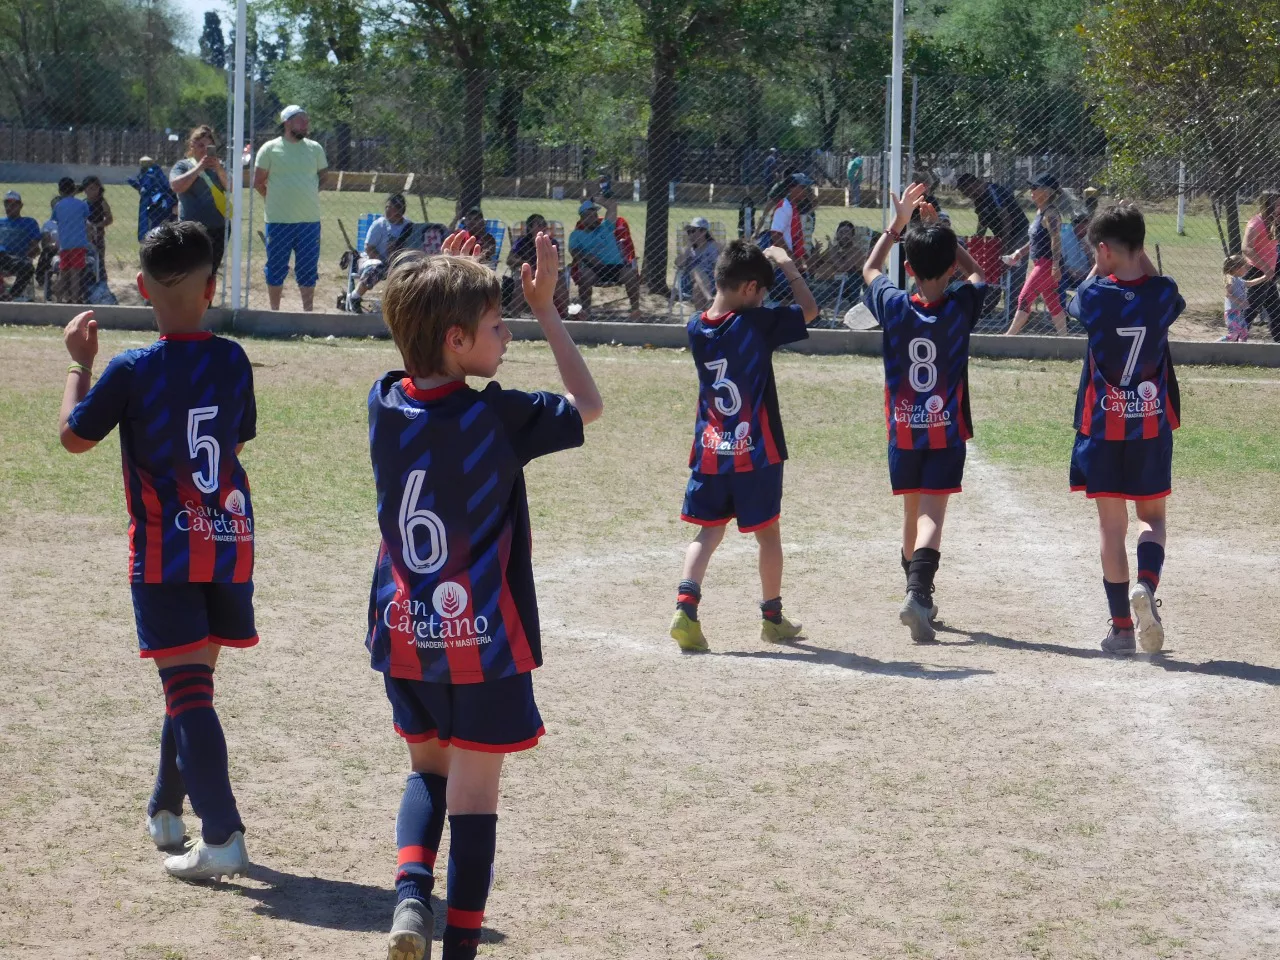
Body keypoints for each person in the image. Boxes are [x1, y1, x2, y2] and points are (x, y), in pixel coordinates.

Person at [367, 230, 602, 960]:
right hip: (484, 643)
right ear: (459, 338)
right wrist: (549, 309)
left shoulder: (381, 403)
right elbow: (587, 402)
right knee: (475, 801)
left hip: (406, 632)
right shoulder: (496, 416)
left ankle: (411, 897)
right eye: (500, 326)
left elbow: (417, 342)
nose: (510, 335)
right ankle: (460, 948)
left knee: (426, 772)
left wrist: (437, 270)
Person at [57, 221, 257, 879]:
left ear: (142, 288)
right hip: (226, 546)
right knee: (192, 686)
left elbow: (74, 438)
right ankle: (167, 809)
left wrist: (78, 366)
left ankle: (223, 835)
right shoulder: (231, 359)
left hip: (167, 557)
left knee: (189, 693)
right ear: (211, 289)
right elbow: (238, 435)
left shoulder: (130, 369)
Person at [668, 239, 820, 654]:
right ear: (751, 288)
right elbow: (810, 310)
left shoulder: (696, 328)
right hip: (756, 451)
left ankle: (685, 608)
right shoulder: (755, 324)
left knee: (707, 532)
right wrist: (787, 265)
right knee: (768, 535)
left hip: (713, 448)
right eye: (764, 291)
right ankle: (772, 619)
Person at [862, 183, 987, 644]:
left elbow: (870, 267)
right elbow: (979, 279)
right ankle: (918, 593)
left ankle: (917, 590)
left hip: (903, 431)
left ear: (909, 269)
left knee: (913, 510)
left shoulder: (894, 305)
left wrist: (899, 226)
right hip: (944, 430)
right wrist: (948, 236)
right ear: (950, 266)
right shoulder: (959, 306)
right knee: (933, 512)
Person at [1065, 203, 1185, 656]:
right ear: (1140, 243)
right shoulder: (1163, 293)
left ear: (1102, 250)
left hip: (1102, 430)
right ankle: (1146, 585)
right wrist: (1136, 260)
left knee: (1111, 530)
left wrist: (1101, 267)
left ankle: (1120, 629)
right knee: (1151, 520)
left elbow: (1079, 297)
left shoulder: (1094, 296)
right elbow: (1162, 290)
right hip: (1150, 428)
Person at [254, 104, 328, 311]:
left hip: (309, 221)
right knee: (276, 267)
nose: (306, 125)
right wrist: (275, 198)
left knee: (308, 268)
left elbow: (323, 177)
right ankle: (274, 311)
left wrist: (308, 193)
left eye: (307, 121)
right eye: (301, 121)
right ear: (287, 123)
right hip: (278, 220)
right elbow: (259, 181)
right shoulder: (269, 149)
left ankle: (308, 312)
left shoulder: (315, 148)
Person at [1003, 174, 1069, 335]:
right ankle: (1065, 338)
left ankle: (1009, 336)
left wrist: (1055, 265)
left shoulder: (1050, 214)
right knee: (1053, 302)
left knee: (1024, 297)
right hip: (1042, 263)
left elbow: (1055, 239)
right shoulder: (1041, 211)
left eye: (1035, 187)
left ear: (1046, 192)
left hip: (1046, 264)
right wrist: (1020, 252)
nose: (1031, 190)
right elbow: (1034, 240)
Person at [569, 196, 641, 320]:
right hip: (593, 268)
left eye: (595, 215)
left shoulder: (606, 226)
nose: (594, 218)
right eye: (590, 216)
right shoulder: (576, 235)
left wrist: (592, 199)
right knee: (585, 276)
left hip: (616, 267)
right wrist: (588, 257)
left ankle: (635, 310)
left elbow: (612, 205)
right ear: (583, 219)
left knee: (630, 275)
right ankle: (586, 311)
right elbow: (574, 252)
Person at [171, 125, 231, 271]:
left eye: (209, 146)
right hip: (190, 229)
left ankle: (206, 294)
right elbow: (176, 186)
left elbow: (232, 187)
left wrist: (218, 168)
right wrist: (199, 168)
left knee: (211, 271)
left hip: (218, 227)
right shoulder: (183, 165)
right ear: (192, 145)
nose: (205, 149)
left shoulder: (220, 167)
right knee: (189, 271)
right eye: (200, 145)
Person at [347, 193, 414, 313]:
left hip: (397, 262)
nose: (387, 210)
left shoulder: (408, 226)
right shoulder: (379, 224)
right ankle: (354, 297)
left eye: (391, 208)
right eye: (386, 207)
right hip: (374, 260)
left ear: (400, 211)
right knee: (377, 268)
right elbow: (369, 248)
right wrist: (384, 263)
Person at [506, 213, 569, 317]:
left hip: (546, 273)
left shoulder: (551, 242)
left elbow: (553, 262)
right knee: (521, 284)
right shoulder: (522, 241)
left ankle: (565, 314)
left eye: (544, 224)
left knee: (560, 281)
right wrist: (523, 262)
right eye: (539, 225)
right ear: (530, 228)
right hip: (529, 272)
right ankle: (514, 316)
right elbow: (510, 259)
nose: (543, 227)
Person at [1242, 191, 1280, 341]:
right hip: (1256, 271)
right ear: (1268, 206)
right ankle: (1237, 337)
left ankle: (1278, 340)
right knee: (1251, 308)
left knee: (1275, 308)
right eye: (1277, 205)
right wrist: (1265, 268)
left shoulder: (1273, 222)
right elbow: (1247, 248)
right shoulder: (1256, 222)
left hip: (1267, 272)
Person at [808, 220, 867, 309]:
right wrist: (815, 253)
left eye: (847, 232)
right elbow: (811, 268)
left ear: (852, 236)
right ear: (837, 235)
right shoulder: (833, 250)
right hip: (818, 281)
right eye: (841, 232)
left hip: (839, 285)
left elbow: (842, 267)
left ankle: (810, 316)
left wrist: (832, 250)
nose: (844, 235)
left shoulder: (856, 252)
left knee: (818, 292)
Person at [52, 177, 91, 303]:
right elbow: (86, 219)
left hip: (65, 243)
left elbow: (56, 220)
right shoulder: (82, 204)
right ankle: (74, 299)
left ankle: (57, 297)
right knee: (75, 273)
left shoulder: (58, 206)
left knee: (63, 272)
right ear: (73, 189)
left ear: (60, 191)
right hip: (79, 243)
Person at [0, 190, 41, 301]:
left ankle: (11, 295)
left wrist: (28, 255)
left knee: (28, 267)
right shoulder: (0, 222)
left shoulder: (29, 222)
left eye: (13, 204)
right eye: (7, 204)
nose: (9, 207)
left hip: (18, 259)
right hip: (1, 256)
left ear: (20, 206)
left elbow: (35, 246)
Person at [674, 216, 721, 311]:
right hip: (688, 282)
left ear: (703, 232)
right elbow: (678, 264)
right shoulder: (688, 249)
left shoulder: (713, 247)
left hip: (711, 281)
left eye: (693, 231)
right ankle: (709, 299)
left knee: (697, 287)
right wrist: (688, 246)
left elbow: (721, 264)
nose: (690, 234)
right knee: (696, 270)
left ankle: (702, 319)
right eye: (689, 231)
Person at [1221, 254, 1264, 342]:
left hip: (1239, 313)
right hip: (1231, 313)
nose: (1247, 270)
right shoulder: (1229, 278)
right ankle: (1213, 346)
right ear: (1237, 268)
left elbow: (1250, 283)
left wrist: (1264, 277)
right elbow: (1227, 294)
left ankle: (1240, 351)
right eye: (1245, 267)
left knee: (1243, 334)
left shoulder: (1239, 280)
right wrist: (1240, 302)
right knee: (1233, 335)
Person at [80, 176, 113, 284]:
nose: (93, 191)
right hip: (84, 235)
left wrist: (97, 225)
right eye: (90, 188)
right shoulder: (83, 203)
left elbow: (109, 219)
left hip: (97, 235)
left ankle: (101, 281)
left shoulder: (101, 202)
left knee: (99, 258)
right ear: (85, 190)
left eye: (95, 188)